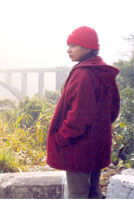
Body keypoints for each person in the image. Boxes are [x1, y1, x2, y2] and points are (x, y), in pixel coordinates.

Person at [46, 26, 120, 199]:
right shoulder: (102, 72)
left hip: (78, 149)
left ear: (87, 48)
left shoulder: (83, 74)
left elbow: (79, 117)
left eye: (73, 45)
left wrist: (62, 137)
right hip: (97, 146)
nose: (68, 50)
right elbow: (113, 110)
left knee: (78, 195)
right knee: (93, 193)